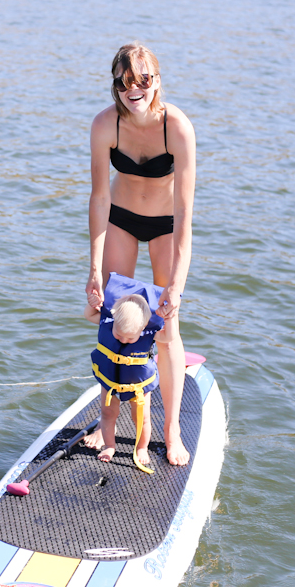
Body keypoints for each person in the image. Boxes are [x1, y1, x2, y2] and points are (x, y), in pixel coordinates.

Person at [84, 42, 196, 466]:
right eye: (125, 82)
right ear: (115, 85)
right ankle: (107, 424)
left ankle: (172, 429)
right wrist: (93, 270)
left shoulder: (177, 127)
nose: (134, 89)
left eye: (143, 80)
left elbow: (185, 213)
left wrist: (177, 286)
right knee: (114, 320)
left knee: (166, 328)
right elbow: (99, 198)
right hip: (121, 218)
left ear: (157, 80)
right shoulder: (105, 125)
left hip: (166, 225)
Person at [83, 273, 170, 473]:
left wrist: (170, 318)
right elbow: (89, 315)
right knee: (107, 414)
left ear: (143, 328)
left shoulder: (149, 333)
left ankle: (141, 448)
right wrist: (92, 303)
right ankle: (109, 445)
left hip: (138, 386)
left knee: (141, 418)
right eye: (118, 334)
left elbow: (169, 337)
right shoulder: (108, 322)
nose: (123, 340)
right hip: (110, 382)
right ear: (113, 320)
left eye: (130, 338)